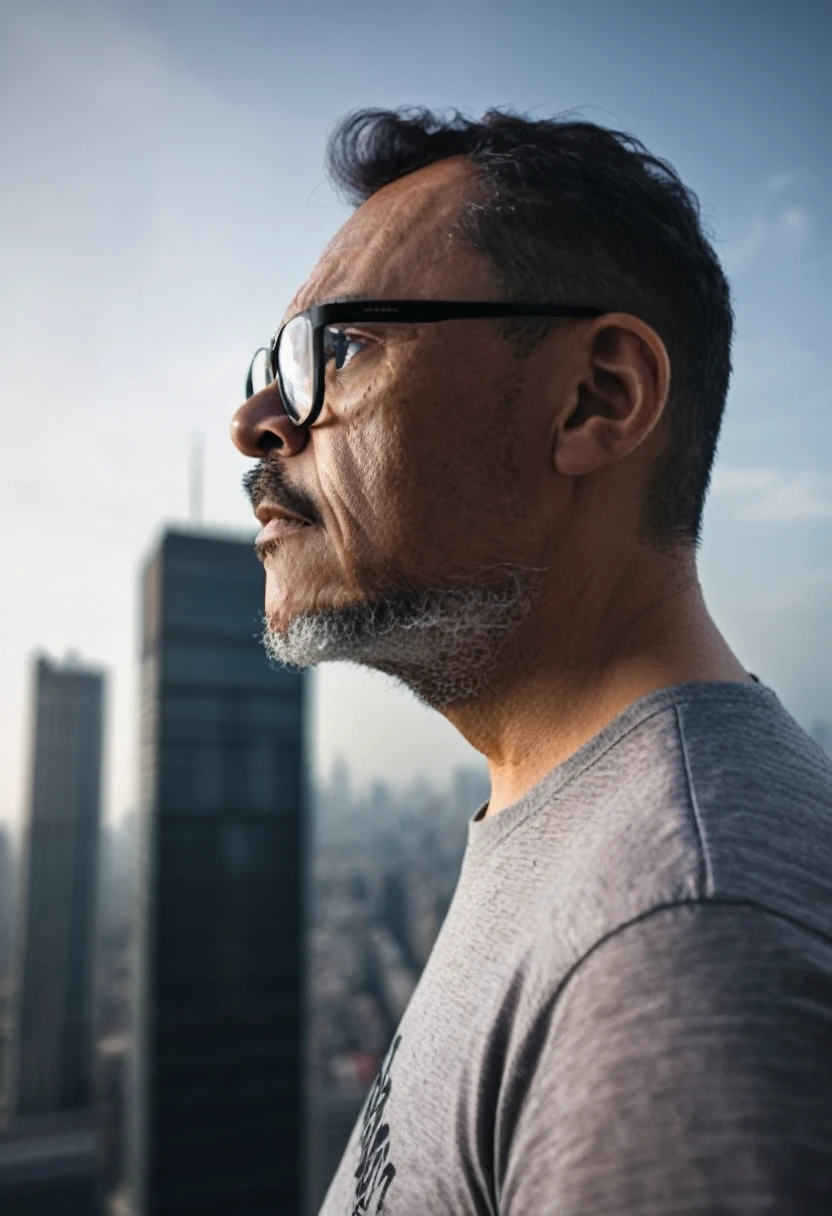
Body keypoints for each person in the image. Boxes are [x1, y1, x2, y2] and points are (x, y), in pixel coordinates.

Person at [230, 108, 832, 1214]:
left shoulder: (676, 953)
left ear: (596, 400)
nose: (257, 418)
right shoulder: (579, 835)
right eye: (272, 362)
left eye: (339, 347)